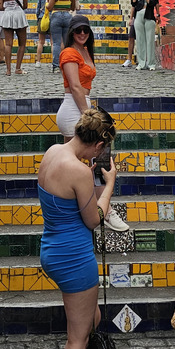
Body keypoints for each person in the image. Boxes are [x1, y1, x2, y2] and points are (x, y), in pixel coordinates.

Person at [38, 106, 118, 349]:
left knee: (87, 324)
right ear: (100, 145)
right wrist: (110, 184)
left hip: (52, 248)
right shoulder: (81, 173)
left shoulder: (54, 152)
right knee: (78, 339)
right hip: (75, 257)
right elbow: (93, 219)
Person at [57, 16, 128, 232]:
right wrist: (87, 115)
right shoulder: (69, 53)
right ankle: (106, 211)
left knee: (79, 163)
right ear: (71, 32)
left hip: (81, 107)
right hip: (74, 109)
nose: (82, 33)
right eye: (78, 30)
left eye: (85, 30)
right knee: (97, 158)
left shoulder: (85, 50)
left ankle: (83, 207)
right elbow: (76, 87)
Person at [0, 0, 29, 76]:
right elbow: (25, 6)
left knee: (8, 43)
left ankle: (8, 69)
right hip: (19, 15)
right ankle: (18, 68)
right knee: (22, 43)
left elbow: (0, 8)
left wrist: (8, 6)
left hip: (7, 15)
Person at [47, 0, 79, 72]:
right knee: (67, 42)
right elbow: (73, 8)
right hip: (67, 17)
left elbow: (49, 7)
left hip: (56, 16)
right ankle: (68, 63)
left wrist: (48, 2)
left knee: (56, 43)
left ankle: (56, 65)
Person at [131, 0, 160, 70]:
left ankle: (151, 63)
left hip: (149, 16)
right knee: (139, 40)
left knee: (150, 40)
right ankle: (141, 63)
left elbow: (152, 3)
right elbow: (133, 4)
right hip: (139, 16)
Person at [122, 0, 142, 67]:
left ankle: (143, 59)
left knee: (143, 38)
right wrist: (131, 18)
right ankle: (129, 59)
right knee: (131, 37)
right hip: (136, 16)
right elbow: (133, 5)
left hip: (146, 16)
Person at [35, 0, 55, 66]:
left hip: (42, 18)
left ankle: (38, 61)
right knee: (53, 42)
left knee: (41, 41)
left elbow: (37, 10)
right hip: (53, 18)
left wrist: (38, 18)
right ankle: (54, 61)